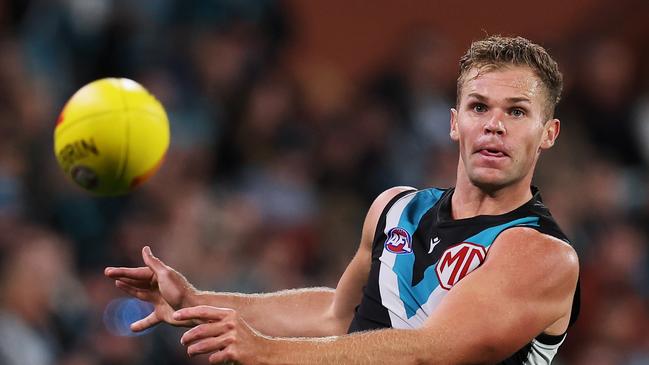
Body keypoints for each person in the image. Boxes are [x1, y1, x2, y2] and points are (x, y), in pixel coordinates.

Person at [105, 35, 580, 364]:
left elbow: (427, 351)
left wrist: (266, 352)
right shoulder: (395, 207)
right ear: (456, 123)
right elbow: (338, 317)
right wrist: (198, 301)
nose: (494, 125)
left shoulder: (541, 255)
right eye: (480, 107)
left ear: (548, 134)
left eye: (517, 111)